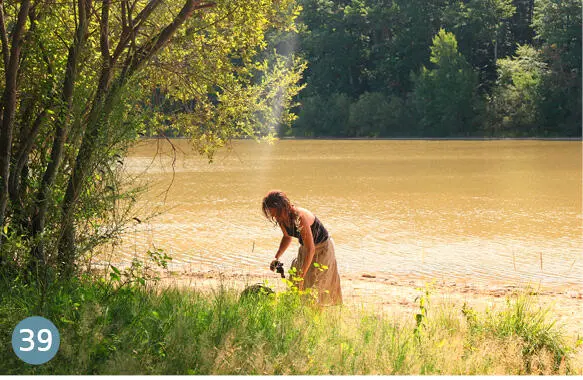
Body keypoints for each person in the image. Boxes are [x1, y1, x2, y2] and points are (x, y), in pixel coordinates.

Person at [261, 190, 342, 305]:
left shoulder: (299, 217)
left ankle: (317, 317)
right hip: (305, 249)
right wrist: (276, 257)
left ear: (283, 208)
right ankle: (301, 312)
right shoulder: (281, 218)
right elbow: (287, 237)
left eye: (276, 214)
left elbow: (311, 249)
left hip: (322, 248)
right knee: (296, 282)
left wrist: (302, 275)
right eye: (272, 215)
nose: (276, 218)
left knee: (318, 285)